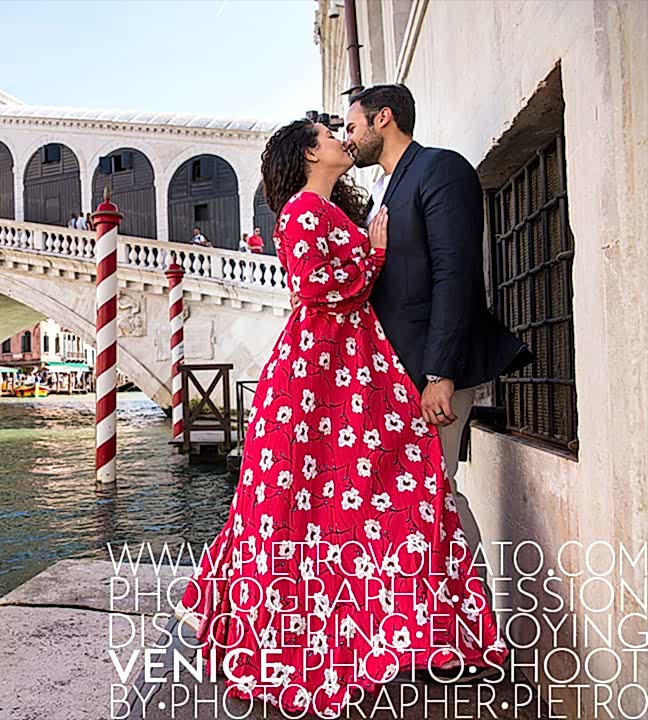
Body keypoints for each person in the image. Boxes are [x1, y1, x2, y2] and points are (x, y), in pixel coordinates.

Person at [175, 118, 509, 716]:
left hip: (347, 367)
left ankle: (387, 632)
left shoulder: (325, 210)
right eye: (329, 135)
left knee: (358, 495)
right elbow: (315, 287)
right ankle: (318, 638)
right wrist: (375, 254)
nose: (339, 140)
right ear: (310, 152)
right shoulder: (303, 210)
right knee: (306, 501)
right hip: (318, 373)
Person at [343, 84, 532, 513]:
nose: (348, 138)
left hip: (431, 370)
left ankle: (473, 583)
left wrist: (439, 374)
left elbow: (456, 272)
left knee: (435, 493)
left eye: (352, 127)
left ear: (383, 118)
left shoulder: (439, 169)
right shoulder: (382, 189)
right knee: (412, 497)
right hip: (396, 371)